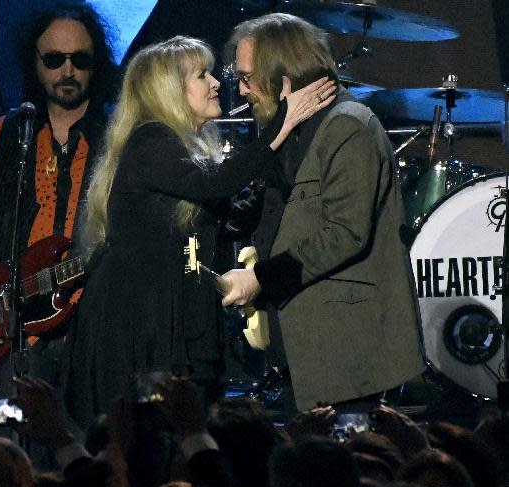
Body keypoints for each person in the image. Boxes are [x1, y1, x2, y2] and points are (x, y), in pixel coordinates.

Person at [63, 36, 335, 430]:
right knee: (145, 436)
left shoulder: (177, 148)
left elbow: (227, 218)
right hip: (139, 325)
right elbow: (215, 185)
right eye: (201, 74)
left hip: (173, 316)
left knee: (175, 434)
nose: (215, 83)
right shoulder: (150, 140)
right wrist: (281, 124)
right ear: (168, 90)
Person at [221, 13, 425, 414]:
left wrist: (260, 278)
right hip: (306, 349)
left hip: (346, 355)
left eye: (246, 78)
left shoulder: (347, 127)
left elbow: (345, 233)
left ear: (282, 79)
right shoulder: (289, 133)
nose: (241, 90)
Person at [0, 1, 118, 396]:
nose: (68, 71)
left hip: (89, 330)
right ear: (34, 63)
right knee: (6, 440)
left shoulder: (117, 138)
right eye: (54, 59)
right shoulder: (5, 136)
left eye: (80, 59)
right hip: (9, 333)